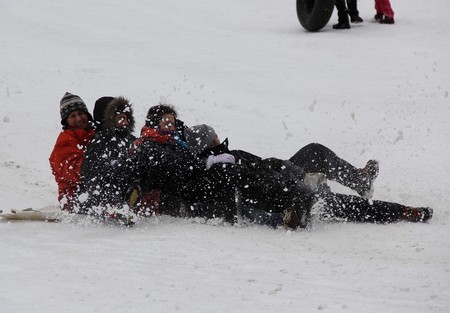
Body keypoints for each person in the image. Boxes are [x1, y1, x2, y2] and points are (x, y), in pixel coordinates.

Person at [184, 124, 433, 227]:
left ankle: (361, 181)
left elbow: (264, 165)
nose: (218, 137)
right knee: (334, 203)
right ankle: (402, 211)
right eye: (213, 136)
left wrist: (289, 169)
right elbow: (248, 195)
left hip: (280, 175)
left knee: (315, 151)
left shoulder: (230, 155)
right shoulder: (218, 170)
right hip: (280, 189)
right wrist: (291, 186)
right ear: (208, 143)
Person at [128, 104, 316, 228]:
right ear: (154, 123)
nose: (170, 125)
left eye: (172, 121)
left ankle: (288, 187)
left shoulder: (173, 140)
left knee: (238, 160)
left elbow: (190, 156)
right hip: (185, 190)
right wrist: (207, 163)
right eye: (165, 121)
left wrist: (213, 156)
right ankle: (286, 198)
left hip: (193, 183)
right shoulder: (149, 145)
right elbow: (175, 168)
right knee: (228, 172)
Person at [79, 96, 142, 221]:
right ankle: (120, 207)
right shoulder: (101, 141)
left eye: (127, 118)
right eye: (121, 118)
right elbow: (91, 171)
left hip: (125, 185)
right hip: (103, 189)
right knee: (118, 170)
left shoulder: (130, 140)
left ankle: (129, 204)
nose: (125, 122)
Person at [49, 92, 95, 212]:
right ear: (66, 121)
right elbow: (73, 171)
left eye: (80, 113)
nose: (78, 119)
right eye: (73, 116)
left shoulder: (95, 135)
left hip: (94, 189)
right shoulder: (64, 141)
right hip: (73, 197)